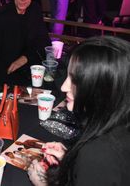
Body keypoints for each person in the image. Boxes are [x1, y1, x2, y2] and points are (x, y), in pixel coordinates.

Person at [28, 36, 130, 186]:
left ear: (101, 89)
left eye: (75, 80)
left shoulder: (98, 153)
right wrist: (70, 160)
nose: (63, 87)